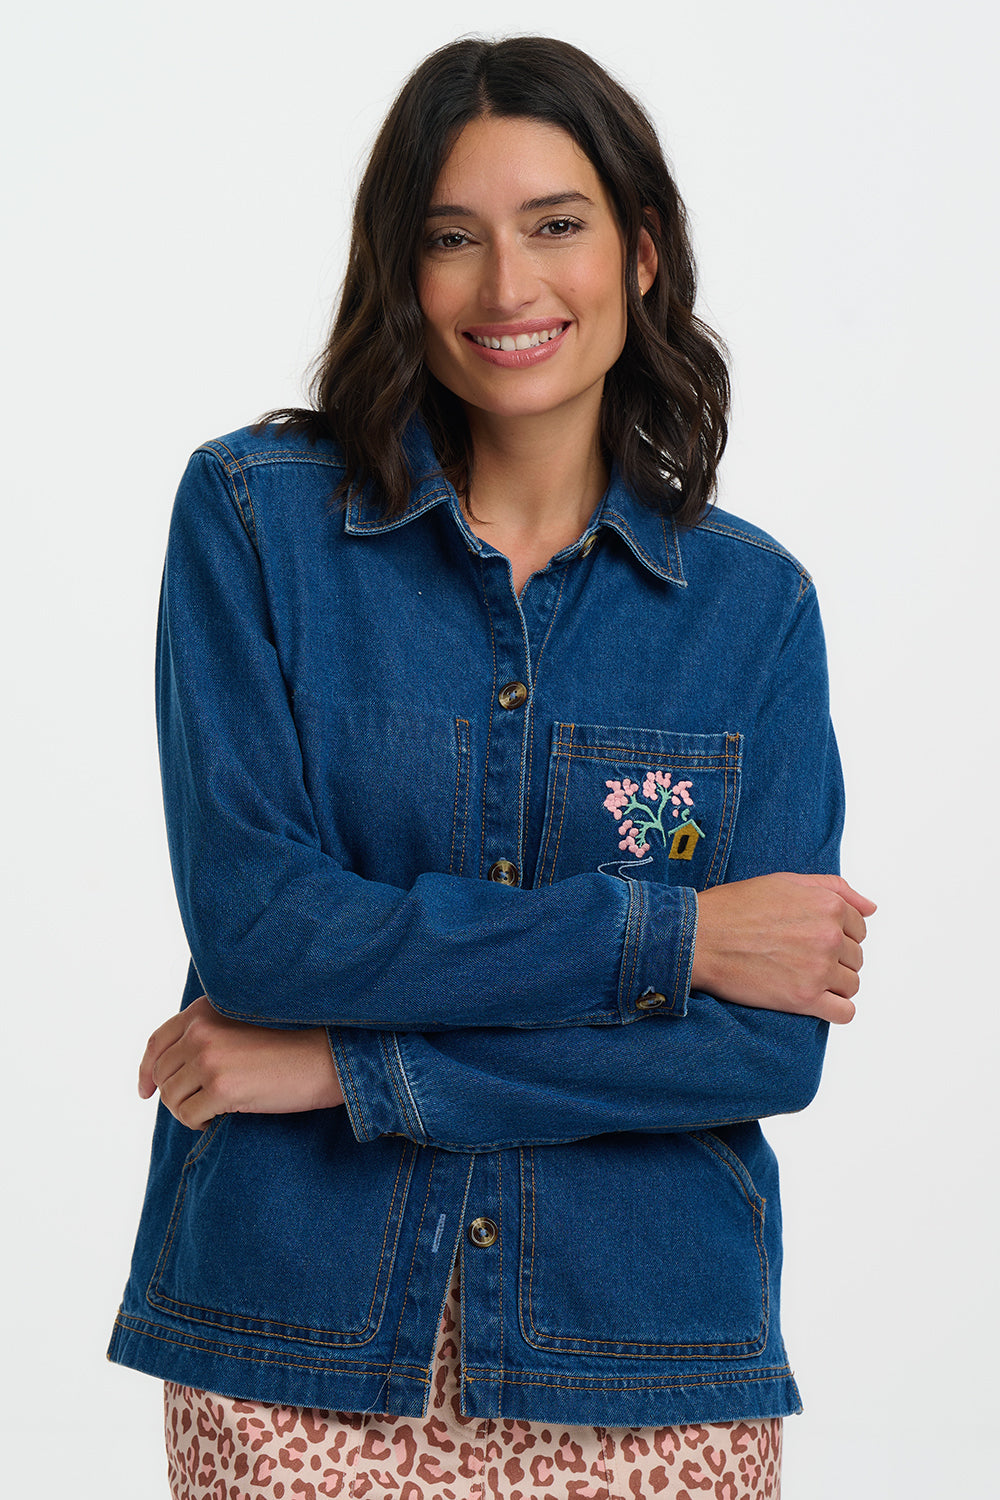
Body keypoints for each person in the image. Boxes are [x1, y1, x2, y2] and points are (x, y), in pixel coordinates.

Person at [108, 36, 874, 1500]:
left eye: (555, 225)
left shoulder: (753, 610)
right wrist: (677, 938)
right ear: (400, 271)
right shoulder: (254, 523)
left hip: (645, 1365)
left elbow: (759, 1050)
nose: (509, 287)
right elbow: (263, 933)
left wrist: (346, 1065)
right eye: (452, 238)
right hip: (297, 1354)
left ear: (641, 252)